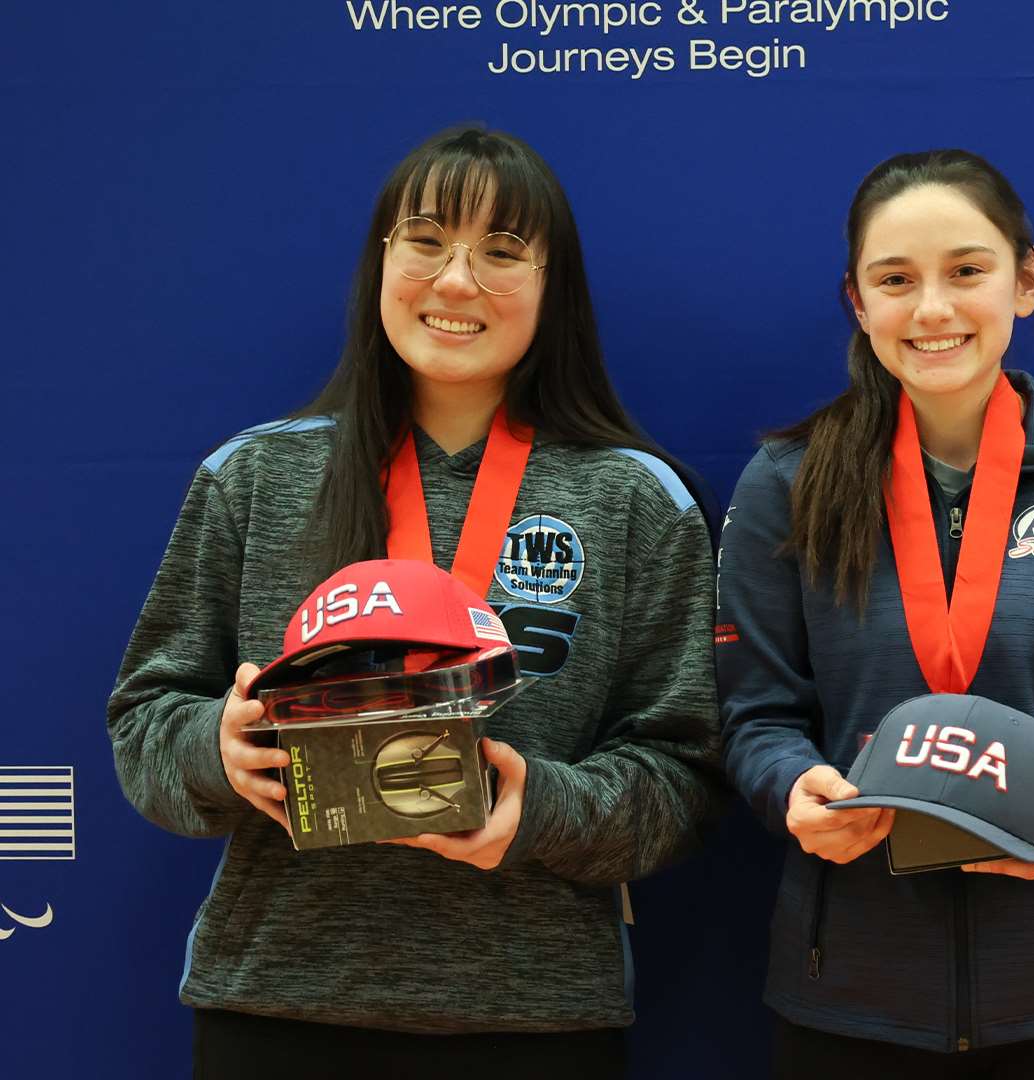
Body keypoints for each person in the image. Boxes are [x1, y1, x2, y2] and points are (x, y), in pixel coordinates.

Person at [105, 126, 722, 1078]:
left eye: (504, 251)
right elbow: (145, 721)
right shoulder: (257, 475)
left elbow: (685, 776)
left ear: (554, 289)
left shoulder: (640, 501)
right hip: (277, 1003)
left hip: (536, 1020)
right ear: (380, 262)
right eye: (426, 240)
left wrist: (540, 810)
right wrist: (215, 752)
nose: (457, 280)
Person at [717, 149, 1034, 1077]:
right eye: (896, 281)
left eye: (967, 271)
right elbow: (755, 714)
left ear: (1025, 282)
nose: (933, 309)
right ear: (859, 305)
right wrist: (793, 786)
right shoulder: (786, 484)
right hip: (851, 997)